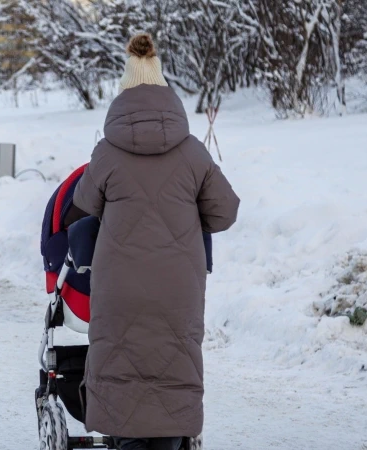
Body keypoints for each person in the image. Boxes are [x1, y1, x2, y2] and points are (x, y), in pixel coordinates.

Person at [70, 34, 240, 450]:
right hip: (177, 286)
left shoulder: (107, 153)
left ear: (122, 99)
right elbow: (225, 211)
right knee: (173, 360)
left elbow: (82, 203)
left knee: (120, 357)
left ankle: (126, 441)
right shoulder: (193, 153)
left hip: (120, 287)